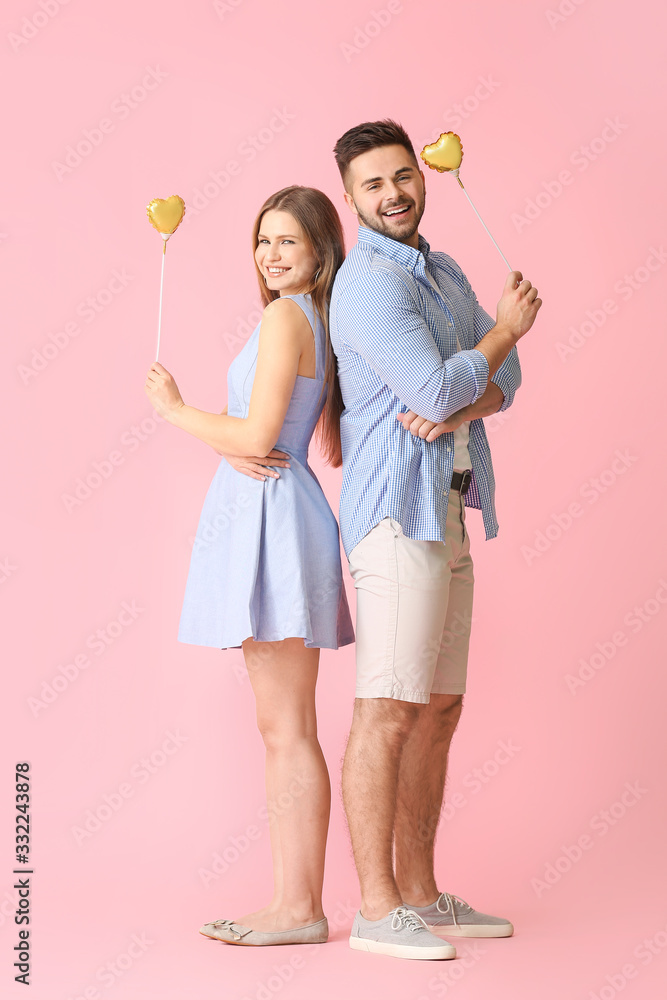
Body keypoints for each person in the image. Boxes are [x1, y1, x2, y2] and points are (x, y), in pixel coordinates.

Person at [328, 119, 542, 961]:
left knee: (440, 708)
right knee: (386, 707)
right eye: (372, 184)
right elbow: (450, 372)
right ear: (350, 199)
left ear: (422, 177)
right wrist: (499, 336)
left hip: (449, 505)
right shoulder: (369, 285)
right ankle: (377, 911)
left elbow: (504, 385)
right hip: (392, 516)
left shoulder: (444, 269)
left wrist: (464, 395)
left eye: (401, 176)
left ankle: (420, 893)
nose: (392, 193)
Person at [144, 185, 354, 947]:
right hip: (277, 512)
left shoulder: (283, 317)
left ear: (319, 252)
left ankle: (299, 907)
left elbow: (259, 433)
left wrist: (175, 410)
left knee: (287, 727)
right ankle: (292, 901)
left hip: (274, 518)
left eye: (287, 241)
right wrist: (227, 436)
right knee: (283, 725)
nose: (270, 254)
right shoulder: (309, 318)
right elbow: (256, 439)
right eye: (262, 240)